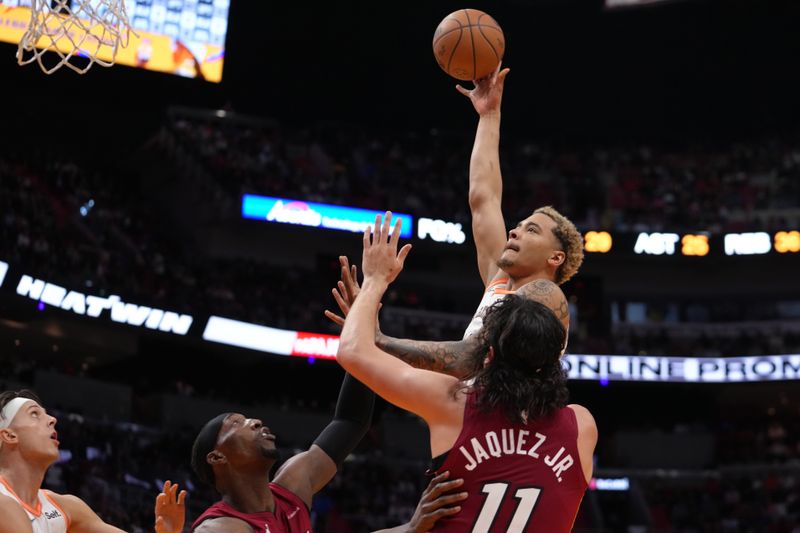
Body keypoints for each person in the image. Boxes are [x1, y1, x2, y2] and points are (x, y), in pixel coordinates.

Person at [336, 213, 597, 532]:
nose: (515, 231)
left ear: (485, 355)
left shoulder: (452, 404)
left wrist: (375, 280)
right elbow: (483, 200)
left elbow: (352, 351)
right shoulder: (582, 426)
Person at [326, 65, 585, 379]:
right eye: (518, 224)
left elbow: (468, 359)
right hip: (474, 416)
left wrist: (378, 339)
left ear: (555, 257)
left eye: (532, 229)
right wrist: (489, 116)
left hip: (511, 426)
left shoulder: (546, 295)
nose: (514, 230)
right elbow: (483, 198)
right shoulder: (500, 281)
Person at [0, 389, 185, 533]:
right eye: (34, 414)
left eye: (46, 413)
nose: (52, 419)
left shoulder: (64, 505)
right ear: (9, 435)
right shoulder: (3, 503)